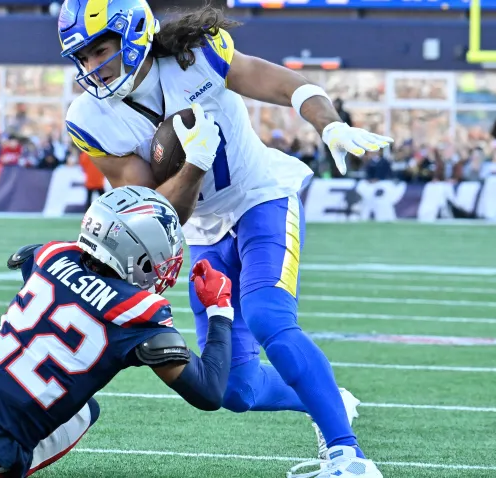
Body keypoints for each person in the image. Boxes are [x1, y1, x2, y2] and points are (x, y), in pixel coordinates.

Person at [58, 1, 391, 476]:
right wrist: (193, 164)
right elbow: (155, 210)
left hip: (261, 197)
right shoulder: (90, 119)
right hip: (201, 228)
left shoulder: (196, 56)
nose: (93, 67)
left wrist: (329, 124)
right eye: (84, 58)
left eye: (101, 50)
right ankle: (327, 398)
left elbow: (287, 85)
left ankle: (348, 456)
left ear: (134, 34)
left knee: (268, 314)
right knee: (233, 389)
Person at [0, 186, 236, 477]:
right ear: (140, 253)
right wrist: (219, 310)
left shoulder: (52, 254)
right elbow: (209, 392)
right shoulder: (141, 314)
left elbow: (27, 257)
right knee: (86, 409)